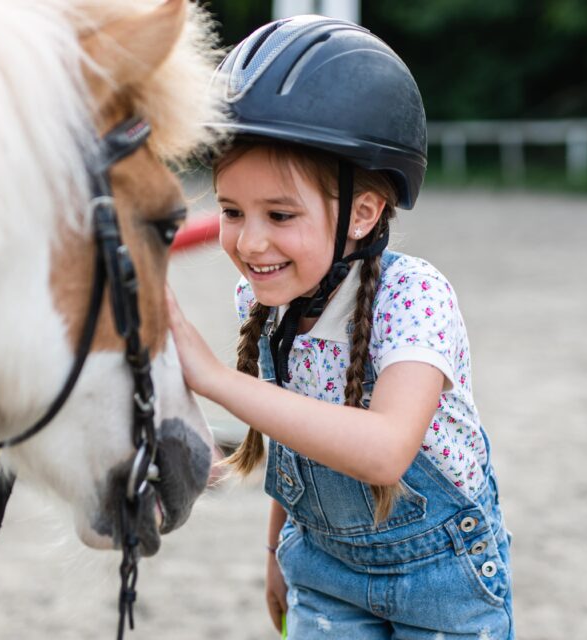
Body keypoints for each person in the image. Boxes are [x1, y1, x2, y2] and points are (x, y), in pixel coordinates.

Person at [165, 15, 513, 639]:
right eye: (231, 210)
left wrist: (214, 379)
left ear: (362, 213)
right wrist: (279, 554)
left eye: (279, 213)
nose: (250, 240)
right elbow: (295, 435)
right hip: (323, 570)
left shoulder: (414, 298)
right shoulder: (266, 296)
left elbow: (383, 451)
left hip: (443, 581)